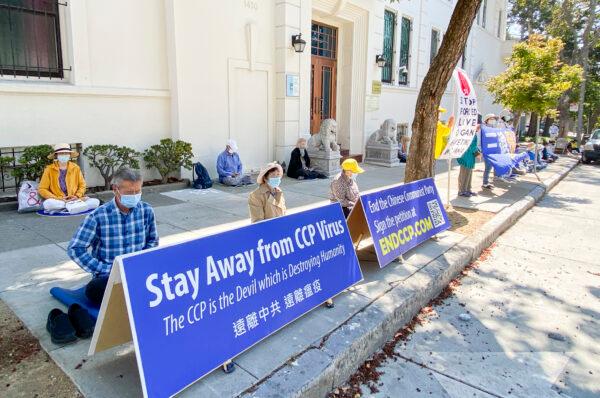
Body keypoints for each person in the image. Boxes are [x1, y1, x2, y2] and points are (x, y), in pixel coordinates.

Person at [67, 167, 159, 306]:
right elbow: (75, 248)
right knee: (95, 290)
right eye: (129, 192)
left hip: (138, 273)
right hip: (109, 277)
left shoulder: (146, 210)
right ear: (115, 189)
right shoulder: (97, 216)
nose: (135, 195)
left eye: (138, 191)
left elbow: (152, 241)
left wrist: (142, 264)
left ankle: (131, 295)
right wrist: (104, 269)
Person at [38, 143, 100, 213]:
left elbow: (82, 185)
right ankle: (73, 206)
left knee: (95, 202)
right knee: (48, 204)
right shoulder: (49, 169)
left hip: (75, 199)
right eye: (61, 154)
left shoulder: (75, 168)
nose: (64, 155)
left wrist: (77, 196)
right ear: (56, 155)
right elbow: (42, 189)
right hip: (59, 200)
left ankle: (68, 207)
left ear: (69, 155)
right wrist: (58, 198)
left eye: (66, 153)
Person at [457, 132, 480, 197]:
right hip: (466, 155)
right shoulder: (469, 131)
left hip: (469, 156)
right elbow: (472, 145)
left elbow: (474, 145)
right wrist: (477, 153)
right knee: (464, 173)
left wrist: (477, 152)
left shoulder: (473, 132)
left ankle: (468, 189)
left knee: (469, 173)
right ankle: (462, 191)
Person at [481, 114, 498, 189]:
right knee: (487, 168)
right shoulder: (483, 128)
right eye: (491, 119)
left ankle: (487, 182)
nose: (493, 120)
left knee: (490, 167)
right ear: (487, 120)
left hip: (493, 151)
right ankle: (485, 183)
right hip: (487, 151)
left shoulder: (493, 128)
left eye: (494, 119)